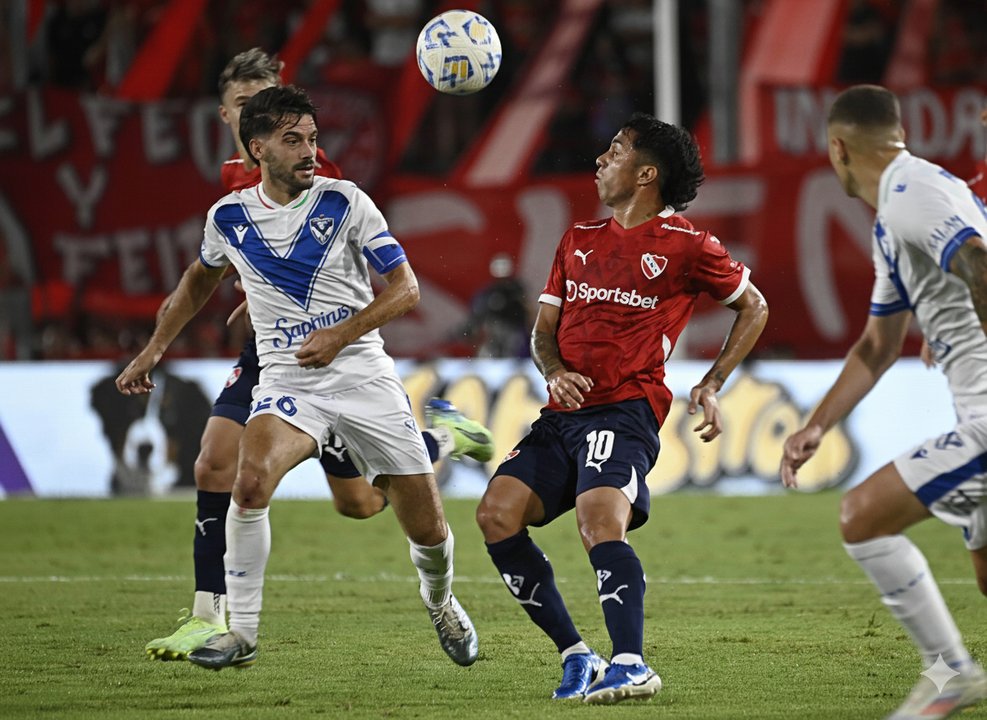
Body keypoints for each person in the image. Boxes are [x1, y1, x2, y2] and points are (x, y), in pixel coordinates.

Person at [143, 48, 493, 662]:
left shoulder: (346, 201)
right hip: (287, 379)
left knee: (410, 522)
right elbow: (199, 277)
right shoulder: (227, 215)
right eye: (294, 140)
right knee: (246, 480)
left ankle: (439, 599)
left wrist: (340, 333)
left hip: (361, 375)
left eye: (312, 138)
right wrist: (154, 349)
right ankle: (238, 632)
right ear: (256, 148)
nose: (309, 151)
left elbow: (406, 289)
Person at [475, 112, 769, 704]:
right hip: (562, 416)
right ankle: (576, 655)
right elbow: (542, 332)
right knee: (496, 515)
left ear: (646, 174)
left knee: (598, 521)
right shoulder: (577, 239)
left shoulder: (688, 245)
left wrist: (712, 382)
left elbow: (754, 306)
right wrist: (554, 373)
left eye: (615, 151)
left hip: (625, 411)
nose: (600, 161)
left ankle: (631, 663)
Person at [780, 85, 987, 720]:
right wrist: (818, 425)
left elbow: (979, 263)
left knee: (862, 517)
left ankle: (950, 675)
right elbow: (878, 345)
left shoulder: (911, 193)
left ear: (838, 148)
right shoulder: (898, 210)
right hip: (971, 408)